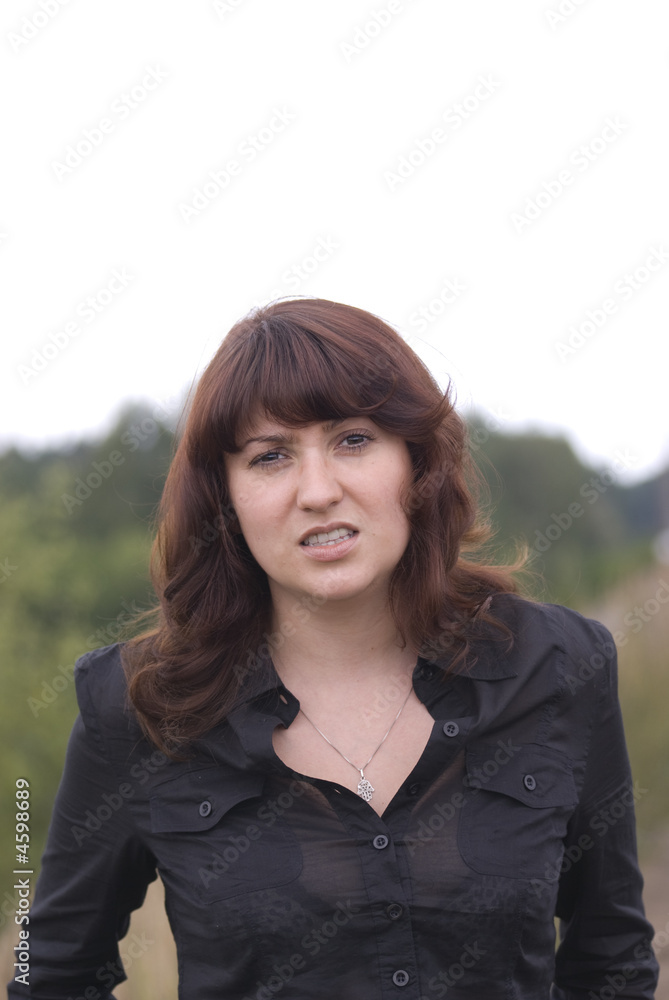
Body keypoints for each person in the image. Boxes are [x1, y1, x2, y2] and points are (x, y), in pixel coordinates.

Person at [9, 297, 658, 999]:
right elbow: (52, 975)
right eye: (270, 457)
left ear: (415, 463)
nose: (317, 491)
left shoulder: (558, 667)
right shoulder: (138, 706)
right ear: (225, 499)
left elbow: (609, 962)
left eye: (352, 439)